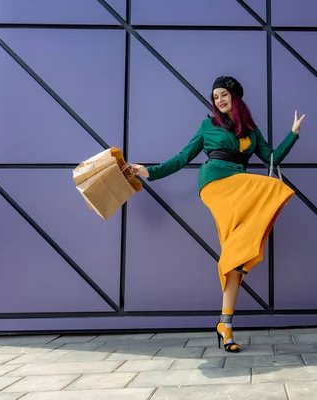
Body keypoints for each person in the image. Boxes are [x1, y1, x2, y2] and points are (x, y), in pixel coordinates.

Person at [131, 76, 305, 353]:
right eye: (215, 97)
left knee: (234, 255)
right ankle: (228, 302)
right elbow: (183, 156)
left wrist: (292, 133)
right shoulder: (208, 125)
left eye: (224, 94)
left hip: (239, 184)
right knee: (271, 186)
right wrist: (150, 171)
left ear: (235, 97)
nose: (219, 100)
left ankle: (225, 325)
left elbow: (272, 158)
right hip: (215, 182)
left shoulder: (251, 130)